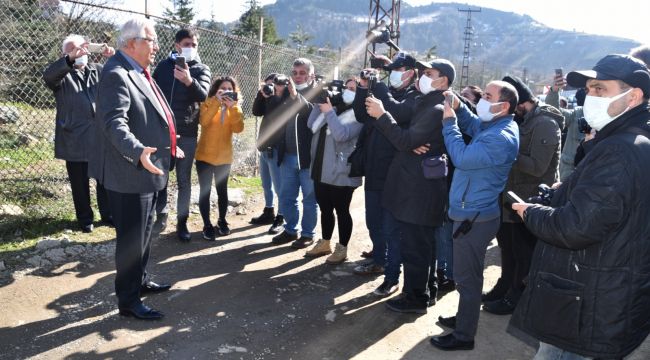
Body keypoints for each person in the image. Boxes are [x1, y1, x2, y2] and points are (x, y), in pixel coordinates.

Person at [510, 54, 650, 360]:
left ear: (634, 96)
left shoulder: (620, 151)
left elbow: (575, 227)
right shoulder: (631, 142)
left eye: (601, 89)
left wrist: (530, 212)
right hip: (606, 292)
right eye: (589, 89)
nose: (591, 97)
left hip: (586, 304)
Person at [96, 18, 178, 320]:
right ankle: (128, 301)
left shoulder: (139, 71)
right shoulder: (116, 73)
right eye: (151, 40)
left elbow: (154, 114)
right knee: (131, 241)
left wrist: (170, 143)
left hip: (151, 169)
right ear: (131, 42)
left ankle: (140, 282)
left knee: (145, 233)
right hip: (131, 172)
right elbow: (113, 123)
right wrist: (137, 151)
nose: (156, 45)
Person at [430, 81, 519, 351]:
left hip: (474, 217)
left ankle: (464, 335)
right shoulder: (495, 125)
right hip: (473, 212)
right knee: (466, 276)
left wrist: (449, 123)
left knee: (468, 280)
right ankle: (463, 318)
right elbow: (473, 125)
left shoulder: (499, 137)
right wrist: (459, 106)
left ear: (503, 106)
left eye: (487, 97)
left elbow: (462, 157)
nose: (482, 101)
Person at [364, 58, 453, 312]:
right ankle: (428, 290)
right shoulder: (427, 103)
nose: (422, 77)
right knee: (424, 245)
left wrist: (382, 115)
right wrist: (409, 140)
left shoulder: (436, 108)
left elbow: (405, 140)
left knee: (416, 248)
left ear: (443, 80)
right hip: (419, 187)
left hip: (418, 191)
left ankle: (415, 298)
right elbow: (408, 137)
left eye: (429, 73)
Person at [482, 75, 562, 315]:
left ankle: (517, 297)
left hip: (529, 200)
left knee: (523, 254)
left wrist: (507, 151)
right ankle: (505, 286)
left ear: (520, 103)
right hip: (509, 197)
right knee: (507, 248)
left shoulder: (545, 124)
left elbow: (538, 167)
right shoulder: (522, 120)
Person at [43, 34, 115, 233]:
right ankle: (85, 219)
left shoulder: (98, 71)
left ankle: (108, 215)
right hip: (75, 138)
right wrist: (69, 60)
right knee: (79, 183)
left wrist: (113, 57)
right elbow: (48, 75)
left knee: (104, 180)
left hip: (100, 137)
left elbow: (120, 75)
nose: (80, 53)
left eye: (82, 49)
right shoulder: (62, 77)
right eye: (73, 50)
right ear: (65, 54)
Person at [151, 28, 211, 242]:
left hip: (187, 132)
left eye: (194, 45)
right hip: (162, 131)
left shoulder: (201, 68)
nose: (190, 48)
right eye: (187, 44)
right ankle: (161, 215)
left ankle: (182, 222)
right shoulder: (163, 67)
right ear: (177, 45)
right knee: (161, 176)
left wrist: (188, 80)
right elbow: (152, 93)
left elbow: (203, 95)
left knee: (184, 180)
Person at [304, 78, 363, 264]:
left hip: (342, 172)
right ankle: (325, 242)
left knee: (342, 210)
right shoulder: (335, 106)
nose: (348, 90)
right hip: (321, 167)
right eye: (347, 87)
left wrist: (329, 112)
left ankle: (342, 248)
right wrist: (319, 103)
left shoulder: (359, 114)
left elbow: (341, 135)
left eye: (354, 88)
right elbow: (312, 126)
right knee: (325, 208)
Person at [271, 58, 318, 249]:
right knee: (286, 196)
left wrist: (294, 95)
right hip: (287, 156)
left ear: (311, 75)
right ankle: (290, 229)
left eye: (302, 73)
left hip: (307, 158)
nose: (298, 77)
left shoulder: (318, 93)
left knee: (309, 198)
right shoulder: (286, 93)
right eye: (295, 73)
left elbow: (310, 114)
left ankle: (308, 234)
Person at [195, 76, 244, 240]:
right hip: (204, 156)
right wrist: (216, 101)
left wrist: (233, 108)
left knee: (222, 192)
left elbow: (238, 129)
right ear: (215, 90)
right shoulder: (207, 102)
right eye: (222, 89)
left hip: (224, 158)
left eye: (229, 89)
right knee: (205, 192)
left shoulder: (235, 107)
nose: (226, 92)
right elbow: (204, 121)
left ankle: (222, 221)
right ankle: (207, 224)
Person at [251, 73, 286, 234]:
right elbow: (256, 112)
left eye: (274, 84)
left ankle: (282, 216)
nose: (271, 87)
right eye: (268, 84)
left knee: (279, 186)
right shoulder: (268, 97)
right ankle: (269, 211)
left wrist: (272, 97)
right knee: (266, 184)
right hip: (264, 147)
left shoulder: (283, 100)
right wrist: (261, 95)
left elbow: (275, 114)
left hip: (276, 148)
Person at [546, 73, 585, 181]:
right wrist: (555, 90)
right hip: (568, 172)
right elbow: (553, 110)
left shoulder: (607, 117)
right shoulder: (577, 114)